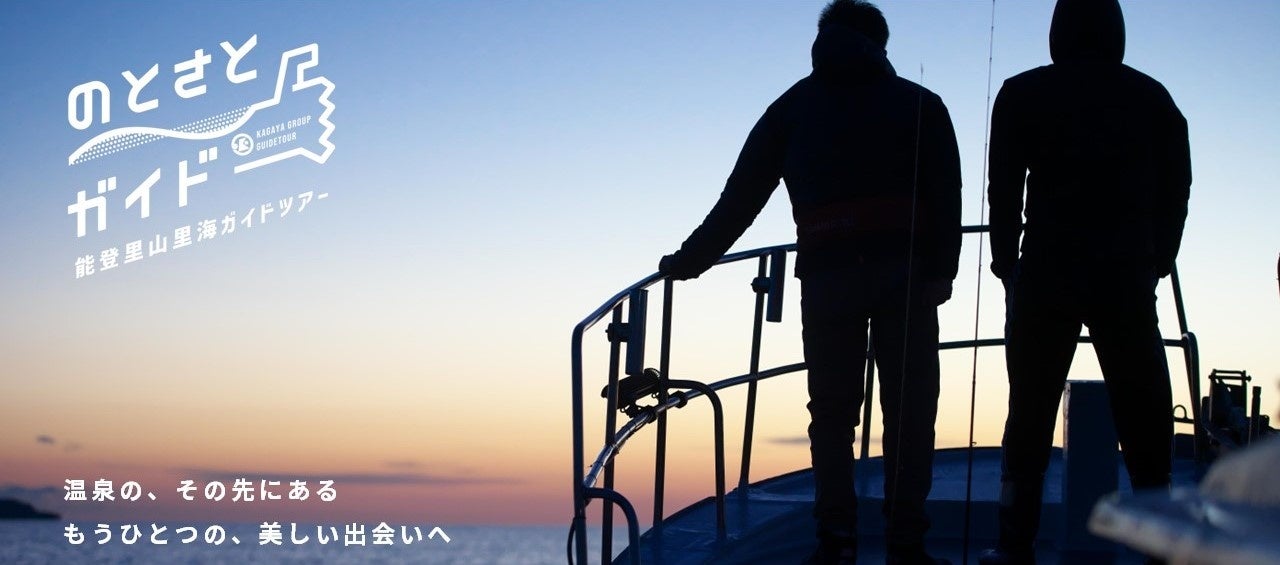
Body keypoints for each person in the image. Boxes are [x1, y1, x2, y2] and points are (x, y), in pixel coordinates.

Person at [658, 1, 961, 563]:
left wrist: (689, 260)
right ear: (882, 43)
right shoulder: (920, 104)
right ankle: (906, 544)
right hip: (908, 277)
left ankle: (837, 541)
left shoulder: (791, 108)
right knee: (911, 409)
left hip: (828, 279)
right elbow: (948, 198)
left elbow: (740, 199)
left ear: (824, 39)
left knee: (831, 413)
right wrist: (944, 271)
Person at [979, 0, 1192, 563]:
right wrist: (1160, 257)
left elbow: (1002, 188)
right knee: (1144, 413)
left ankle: (1013, 545)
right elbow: (1178, 186)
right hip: (1125, 276)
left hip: (1045, 273)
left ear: (1057, 33)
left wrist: (1006, 262)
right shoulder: (1153, 98)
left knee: (1028, 413)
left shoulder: (1021, 94)